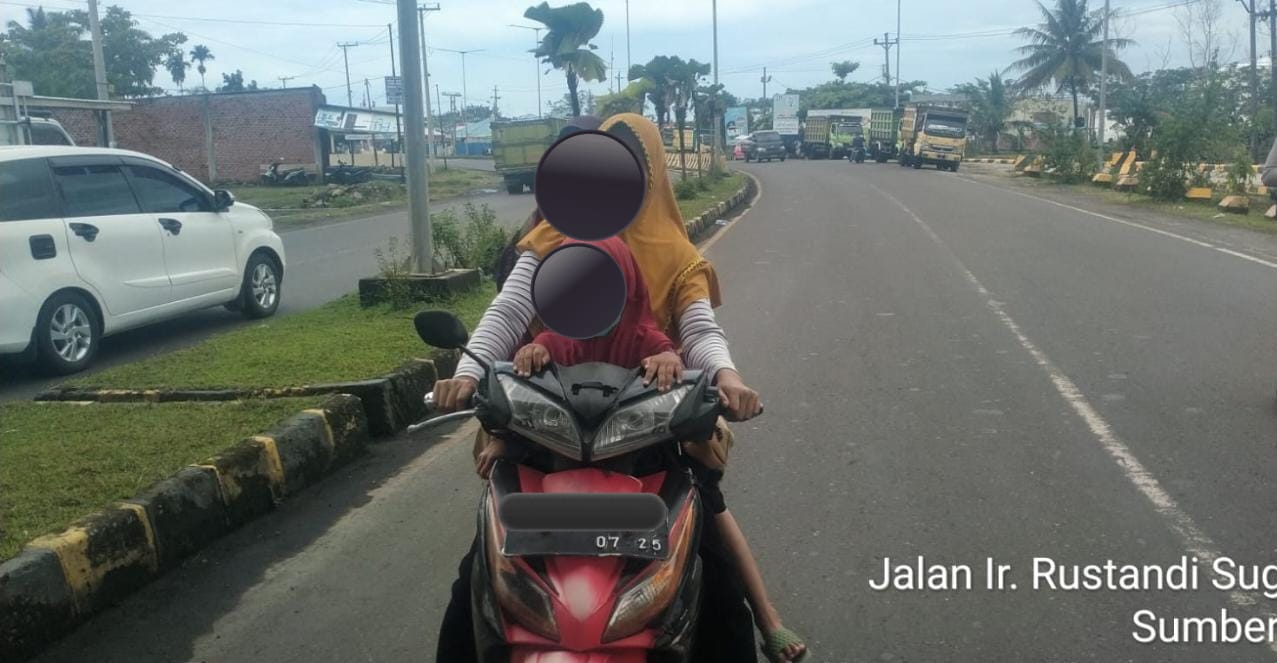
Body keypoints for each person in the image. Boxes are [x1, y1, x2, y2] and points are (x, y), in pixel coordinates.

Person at [433, 113, 771, 662]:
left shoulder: (677, 257)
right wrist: (469, 373)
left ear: (651, 174)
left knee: (717, 589)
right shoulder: (549, 240)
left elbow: (698, 330)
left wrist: (727, 378)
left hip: (649, 438)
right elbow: (510, 310)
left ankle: (761, 624)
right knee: (480, 581)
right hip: (547, 435)